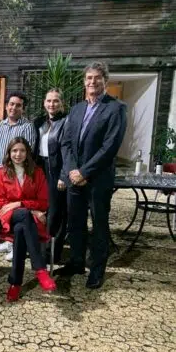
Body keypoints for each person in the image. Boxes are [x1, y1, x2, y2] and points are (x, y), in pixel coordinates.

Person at [57, 62, 127, 289]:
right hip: (74, 178)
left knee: (99, 225)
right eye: (88, 78)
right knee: (75, 223)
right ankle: (76, 262)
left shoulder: (116, 109)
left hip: (98, 179)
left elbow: (110, 146)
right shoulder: (76, 109)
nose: (92, 82)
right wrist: (72, 170)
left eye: (97, 78)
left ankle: (97, 270)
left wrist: (85, 172)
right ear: (84, 82)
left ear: (105, 81)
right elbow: (66, 142)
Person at [0, 137, 57, 302]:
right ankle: (40, 270)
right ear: (9, 153)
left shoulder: (37, 172)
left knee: (20, 229)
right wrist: (30, 209)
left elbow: (43, 202)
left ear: (27, 153)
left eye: (22, 150)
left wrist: (21, 204)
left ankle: (15, 283)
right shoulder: (1, 172)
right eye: (14, 150)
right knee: (23, 216)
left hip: (27, 220)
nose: (18, 154)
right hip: (8, 216)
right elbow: (1, 202)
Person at [0, 91, 36, 258]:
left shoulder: (27, 127)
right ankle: (9, 241)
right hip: (3, 174)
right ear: (6, 106)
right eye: (11, 104)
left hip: (20, 174)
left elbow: (28, 151)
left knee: (18, 207)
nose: (14, 108)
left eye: (18, 105)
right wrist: (2, 170)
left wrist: (14, 171)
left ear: (23, 108)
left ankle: (18, 244)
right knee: (4, 207)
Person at [33, 88, 68, 264]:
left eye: (55, 101)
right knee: (41, 209)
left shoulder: (67, 121)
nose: (51, 104)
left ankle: (52, 253)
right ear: (44, 103)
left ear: (61, 103)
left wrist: (64, 175)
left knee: (56, 212)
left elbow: (69, 151)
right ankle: (39, 248)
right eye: (48, 100)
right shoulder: (39, 122)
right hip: (40, 169)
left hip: (57, 171)